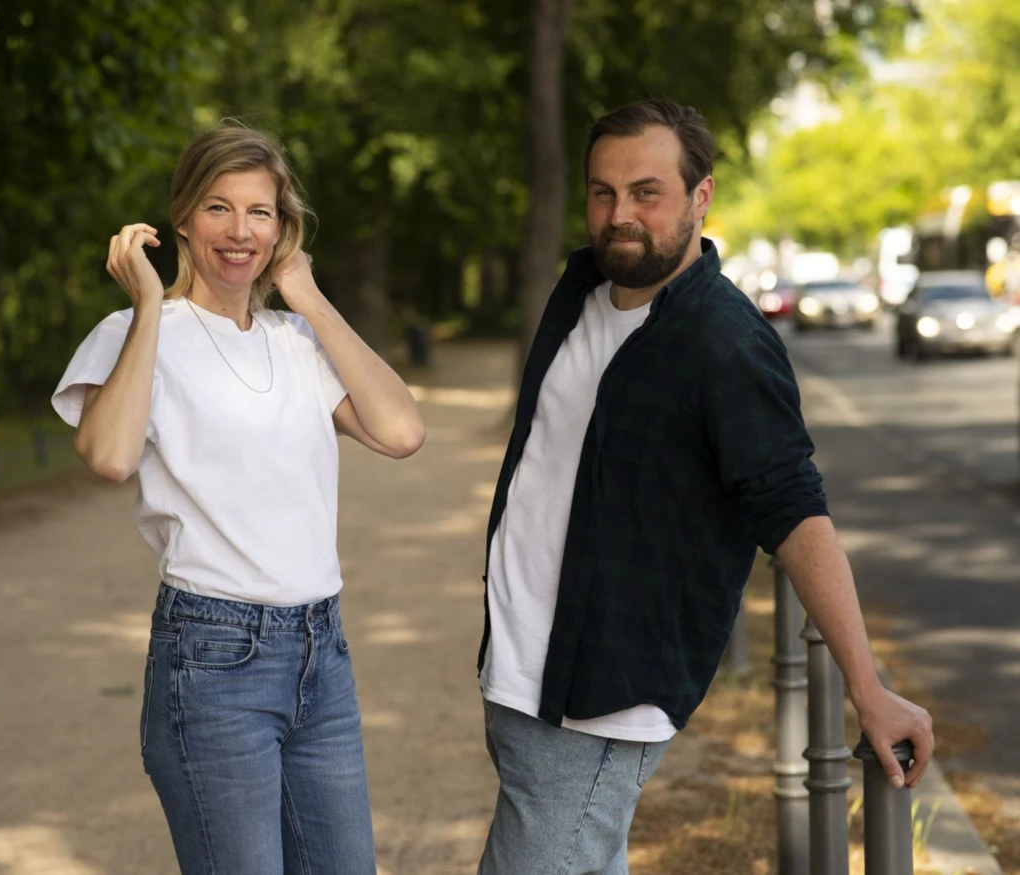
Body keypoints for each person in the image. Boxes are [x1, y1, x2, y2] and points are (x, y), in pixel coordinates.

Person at [475, 98, 934, 874]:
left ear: (700, 197)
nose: (621, 214)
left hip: (602, 699)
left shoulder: (724, 342)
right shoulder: (581, 286)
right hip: (518, 673)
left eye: (646, 192)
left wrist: (869, 683)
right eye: (603, 191)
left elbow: (795, 512)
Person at [52, 123, 424, 874]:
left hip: (323, 653)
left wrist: (310, 298)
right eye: (218, 208)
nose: (240, 230)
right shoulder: (133, 333)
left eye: (261, 211)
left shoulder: (296, 339)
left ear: (283, 227)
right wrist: (152, 307)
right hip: (213, 658)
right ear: (183, 217)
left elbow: (401, 430)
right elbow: (110, 455)